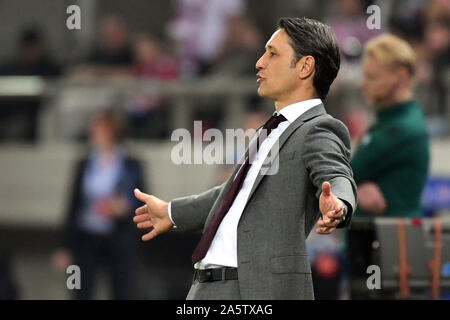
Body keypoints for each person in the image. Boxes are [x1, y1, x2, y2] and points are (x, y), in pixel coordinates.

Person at [133, 17, 357, 300]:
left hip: (254, 290)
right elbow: (231, 195)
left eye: (272, 53)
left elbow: (337, 175)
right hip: (208, 286)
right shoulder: (271, 128)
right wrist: (171, 212)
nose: (259, 62)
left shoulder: (319, 128)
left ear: (305, 67)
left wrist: (339, 203)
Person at [52, 111, 145, 299]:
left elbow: (140, 198)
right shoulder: (84, 163)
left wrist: (123, 208)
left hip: (117, 237)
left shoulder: (130, 163)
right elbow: (73, 205)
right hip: (87, 236)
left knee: (122, 289)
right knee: (81, 288)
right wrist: (66, 246)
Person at [351, 34, 430, 218]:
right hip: (375, 240)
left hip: (390, 243)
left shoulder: (400, 129)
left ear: (401, 77)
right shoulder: (390, 121)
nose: (363, 84)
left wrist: (351, 188)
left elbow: (344, 176)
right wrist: (356, 190)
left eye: (372, 77)